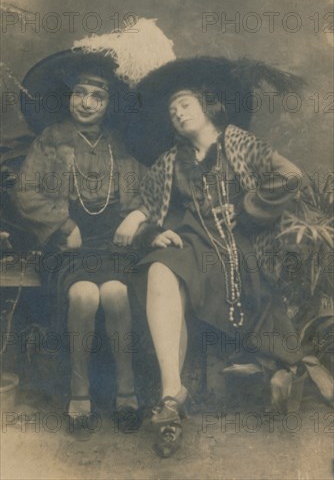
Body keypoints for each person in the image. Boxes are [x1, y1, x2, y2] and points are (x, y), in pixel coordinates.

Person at [128, 61, 304, 456]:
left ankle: (274, 370)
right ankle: (172, 394)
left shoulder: (238, 141)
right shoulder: (170, 162)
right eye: (172, 111)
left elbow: (290, 176)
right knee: (159, 268)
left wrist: (247, 207)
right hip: (193, 244)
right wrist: (150, 228)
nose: (178, 113)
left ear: (208, 106)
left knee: (258, 309)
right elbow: (145, 204)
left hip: (241, 247)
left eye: (186, 104)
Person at [15, 47, 148, 434]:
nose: (86, 103)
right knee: (85, 295)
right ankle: (79, 393)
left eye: (98, 96)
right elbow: (26, 192)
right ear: (69, 96)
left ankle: (127, 391)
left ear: (109, 104)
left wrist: (136, 218)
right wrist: (63, 225)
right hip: (67, 248)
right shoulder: (51, 139)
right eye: (80, 93)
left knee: (116, 294)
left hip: (115, 247)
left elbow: (146, 195)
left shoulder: (120, 143)